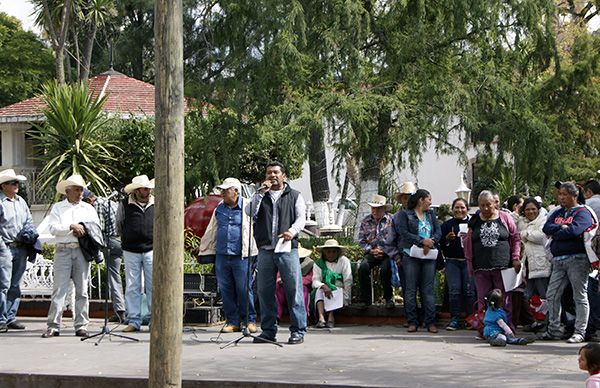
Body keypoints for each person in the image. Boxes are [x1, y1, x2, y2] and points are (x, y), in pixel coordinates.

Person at [251, 161, 307, 345]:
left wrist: (291, 232)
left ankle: (298, 330)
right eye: (269, 173)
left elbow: (301, 219)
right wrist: (260, 194)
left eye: (276, 172)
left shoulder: (295, 196)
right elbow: (249, 212)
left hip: (287, 249)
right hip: (265, 250)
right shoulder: (260, 196)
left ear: (284, 175)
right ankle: (268, 331)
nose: (272, 176)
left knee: (294, 290)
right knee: (265, 292)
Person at [42, 174, 101, 338]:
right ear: (67, 191)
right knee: (59, 289)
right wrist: (70, 226)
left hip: (81, 250)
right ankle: (53, 325)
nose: (80, 192)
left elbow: (96, 229)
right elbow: (53, 228)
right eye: (76, 189)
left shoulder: (88, 208)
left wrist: (83, 228)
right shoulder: (58, 208)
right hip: (63, 249)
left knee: (82, 290)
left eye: (81, 189)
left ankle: (81, 325)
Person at [198, 177, 258, 333]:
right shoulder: (219, 207)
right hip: (222, 254)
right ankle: (232, 321)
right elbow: (212, 229)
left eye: (226, 190)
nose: (222, 193)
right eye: (222, 190)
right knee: (225, 289)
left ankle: (250, 320)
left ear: (236, 191)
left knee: (244, 288)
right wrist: (204, 247)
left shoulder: (248, 206)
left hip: (241, 255)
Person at [539, 182, 595, 343]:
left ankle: (580, 331)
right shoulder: (557, 212)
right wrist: (561, 228)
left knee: (579, 295)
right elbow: (546, 228)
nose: (561, 197)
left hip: (577, 259)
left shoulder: (583, 212)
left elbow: (575, 230)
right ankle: (554, 329)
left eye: (565, 194)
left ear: (574, 195)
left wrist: (561, 230)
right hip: (558, 260)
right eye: (560, 194)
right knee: (552, 294)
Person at [462, 190, 521, 330]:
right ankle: (485, 328)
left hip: (503, 266)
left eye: (488, 204)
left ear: (495, 203)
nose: (485, 208)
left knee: (504, 299)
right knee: (483, 299)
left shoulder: (505, 217)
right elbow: (468, 242)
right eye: (482, 205)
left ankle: (506, 327)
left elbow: (515, 238)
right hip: (480, 267)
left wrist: (515, 258)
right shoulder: (474, 220)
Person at [393, 189, 441, 333]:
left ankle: (430, 322)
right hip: (411, 255)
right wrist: (422, 241)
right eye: (429, 199)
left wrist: (431, 241)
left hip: (428, 255)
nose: (430, 203)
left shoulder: (431, 214)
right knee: (410, 289)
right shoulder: (404, 214)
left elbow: (438, 231)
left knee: (427, 290)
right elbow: (404, 233)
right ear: (421, 200)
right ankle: (412, 321)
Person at [117, 175, 155, 333]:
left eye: (147, 189)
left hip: (152, 248)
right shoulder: (124, 204)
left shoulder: (156, 203)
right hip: (130, 249)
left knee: (153, 285)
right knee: (132, 286)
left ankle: (155, 319)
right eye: (142, 189)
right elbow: (119, 224)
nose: (145, 192)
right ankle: (134, 320)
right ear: (136, 190)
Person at [82, 189, 126, 323]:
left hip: (110, 241)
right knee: (121, 275)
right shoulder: (110, 202)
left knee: (113, 276)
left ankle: (120, 310)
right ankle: (125, 310)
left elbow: (97, 230)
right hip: (121, 240)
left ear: (89, 199)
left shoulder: (98, 205)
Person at [0, 169, 34, 332]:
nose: (16, 186)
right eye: (13, 183)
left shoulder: (21, 202)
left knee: (15, 285)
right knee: (3, 284)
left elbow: (29, 220)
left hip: (21, 247)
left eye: (16, 183)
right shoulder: (0, 202)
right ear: (3, 186)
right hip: (5, 247)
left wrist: (30, 234)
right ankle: (1, 318)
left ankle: (10, 317)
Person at [440, 198, 475, 331]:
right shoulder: (447, 225)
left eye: (462, 207)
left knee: (469, 291)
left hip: (468, 261)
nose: (459, 210)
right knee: (454, 291)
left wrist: (470, 237)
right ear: (452, 209)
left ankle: (471, 319)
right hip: (452, 261)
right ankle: (454, 319)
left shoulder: (473, 223)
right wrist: (447, 239)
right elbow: (439, 243)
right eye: (457, 207)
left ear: (467, 209)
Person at [517, 197, 550, 332]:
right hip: (527, 266)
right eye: (527, 209)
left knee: (545, 296)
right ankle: (536, 322)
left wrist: (524, 234)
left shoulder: (544, 219)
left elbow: (542, 237)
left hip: (541, 264)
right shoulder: (521, 222)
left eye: (533, 209)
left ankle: (550, 324)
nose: (530, 212)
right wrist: (528, 234)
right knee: (527, 296)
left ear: (538, 209)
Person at [357, 194, 394, 308]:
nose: (375, 211)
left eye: (378, 208)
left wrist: (383, 250)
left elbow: (395, 239)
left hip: (387, 253)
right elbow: (361, 241)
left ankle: (389, 299)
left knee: (385, 269)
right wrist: (371, 250)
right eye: (373, 208)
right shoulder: (365, 221)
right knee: (363, 267)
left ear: (384, 209)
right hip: (371, 252)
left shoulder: (391, 220)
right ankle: (366, 300)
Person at [312, 239, 352, 329]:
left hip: (339, 290)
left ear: (338, 252)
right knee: (319, 291)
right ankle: (321, 318)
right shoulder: (318, 264)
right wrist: (323, 286)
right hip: (323, 289)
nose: (331, 254)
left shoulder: (344, 261)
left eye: (334, 252)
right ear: (324, 252)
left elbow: (348, 280)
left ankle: (331, 317)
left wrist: (347, 297)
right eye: (328, 252)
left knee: (335, 290)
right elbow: (315, 281)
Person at [276, 244, 313, 323]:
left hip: (301, 287)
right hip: (286, 287)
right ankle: (276, 316)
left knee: (303, 290)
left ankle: (304, 316)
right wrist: (281, 280)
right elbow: (278, 276)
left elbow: (310, 279)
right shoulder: (285, 262)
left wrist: (295, 281)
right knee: (278, 289)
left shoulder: (309, 264)